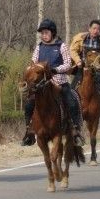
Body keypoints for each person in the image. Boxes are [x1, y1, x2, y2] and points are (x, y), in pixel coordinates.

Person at [21, 18, 84, 147]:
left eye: (46, 32)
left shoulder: (62, 46)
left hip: (59, 81)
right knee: (29, 104)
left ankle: (76, 130)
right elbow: (33, 63)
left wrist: (55, 69)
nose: (44, 35)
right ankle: (29, 131)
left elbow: (67, 64)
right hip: (41, 84)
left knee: (72, 101)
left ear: (53, 33)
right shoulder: (39, 47)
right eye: (42, 33)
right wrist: (31, 72)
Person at [69, 19, 100, 113]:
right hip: (82, 68)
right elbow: (72, 50)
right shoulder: (80, 38)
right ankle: (70, 112)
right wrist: (78, 61)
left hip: (98, 69)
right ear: (89, 29)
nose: (96, 31)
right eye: (94, 28)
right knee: (72, 88)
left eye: (98, 29)